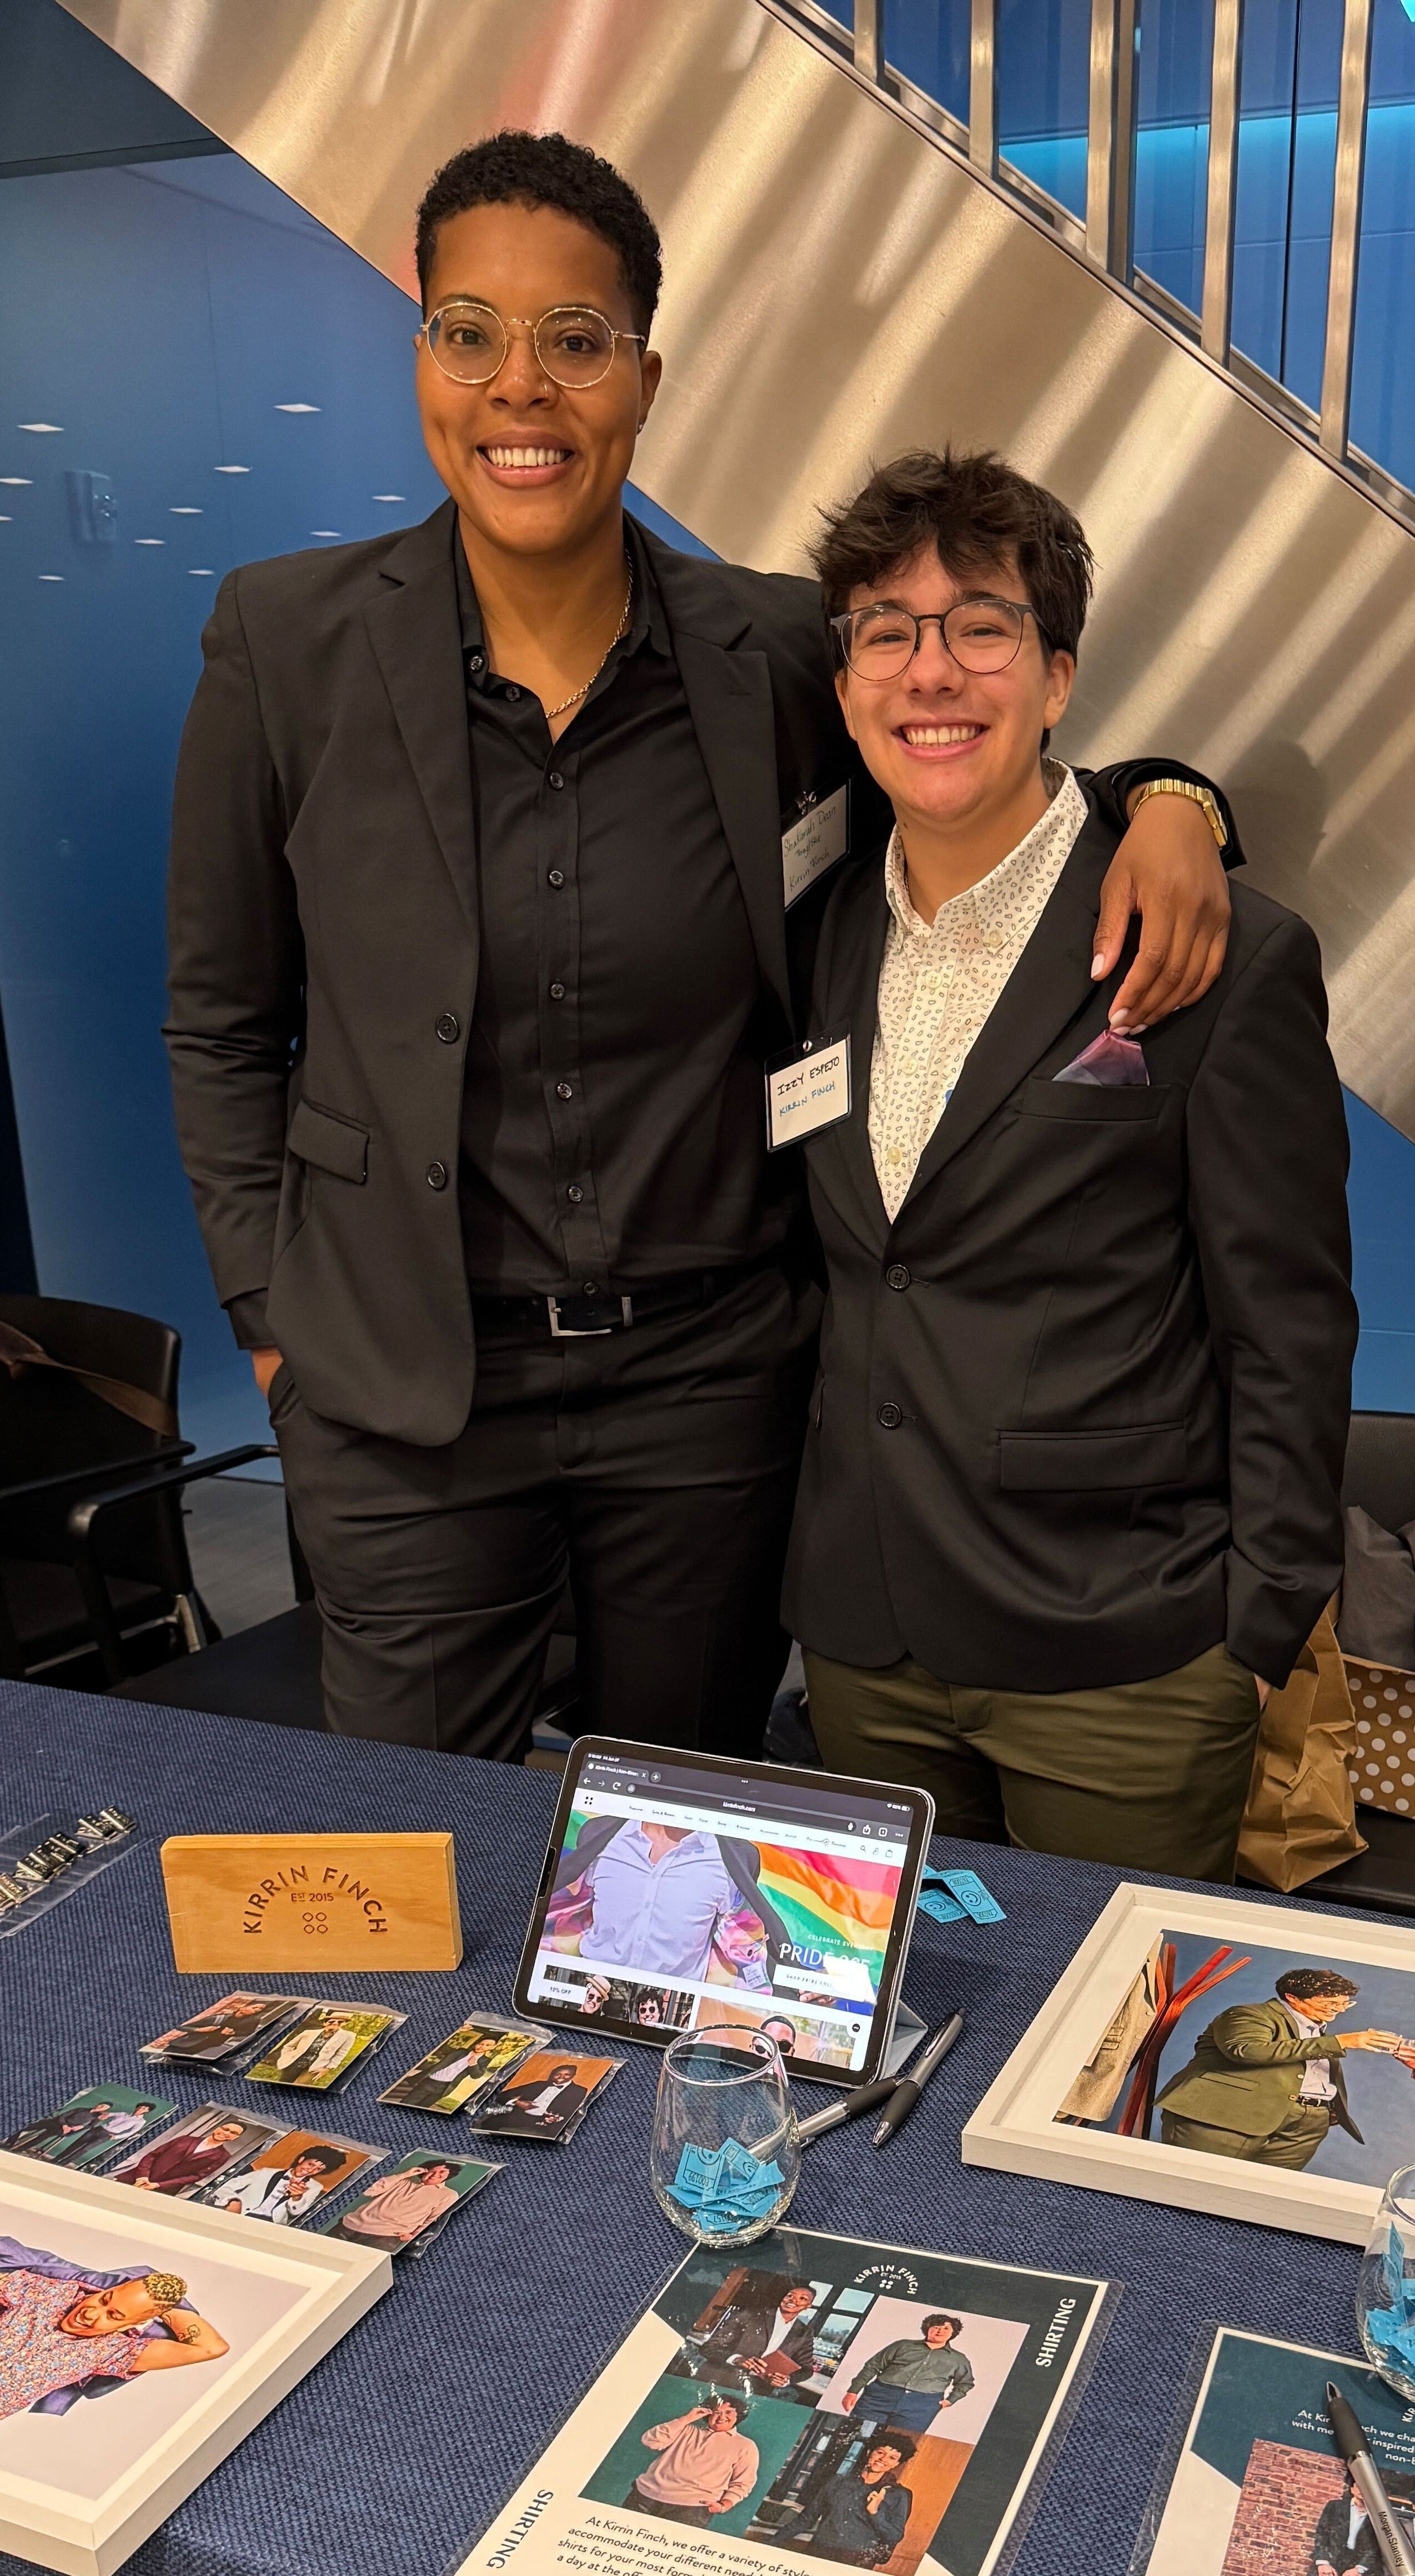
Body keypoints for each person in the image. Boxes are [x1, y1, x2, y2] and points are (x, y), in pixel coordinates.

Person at [165, 127, 1240, 1766]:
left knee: (677, 1851)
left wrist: (1173, 795)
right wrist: (272, 1303)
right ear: (424, 359)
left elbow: (975, 762)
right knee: (415, 1825)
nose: (521, 387)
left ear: (644, 377)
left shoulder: (772, 657)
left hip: (708, 1390)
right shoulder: (285, 645)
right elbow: (222, 1018)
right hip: (401, 1384)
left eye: (574, 340)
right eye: (471, 332)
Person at [784, 447, 1357, 1882]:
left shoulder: (1221, 956)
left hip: (1122, 1664)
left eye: (978, 625)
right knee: (892, 2047)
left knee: (1098, 2067)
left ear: (1052, 676)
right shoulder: (811, 931)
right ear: (843, 677)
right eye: (886, 631)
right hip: (863, 1639)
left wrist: (1255, 1630)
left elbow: (1285, 1325)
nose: (931, 671)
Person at [1155, 1970, 1406, 2169]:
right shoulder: (1249, 2015)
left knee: (1261, 2199)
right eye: (1329, 2003)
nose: (1338, 2010)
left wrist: (1322, 2111)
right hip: (1226, 2119)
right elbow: (1246, 2050)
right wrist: (1342, 2042)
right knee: (1198, 2187)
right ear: (1293, 1998)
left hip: (1305, 2128)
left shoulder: (1317, 2029)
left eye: (1344, 2004)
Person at [0, 2243, 228, 2419]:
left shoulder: (115, 2352)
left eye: (113, 2316)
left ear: (130, 2325)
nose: (90, 2313)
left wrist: (161, 2310)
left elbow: (211, 2348)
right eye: (104, 2299)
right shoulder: (50, 2292)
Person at [624, 2394, 759, 2524]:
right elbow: (650, 2441)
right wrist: (687, 2419)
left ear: (738, 2415)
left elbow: (743, 2483)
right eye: (717, 2412)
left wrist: (724, 2505)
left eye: (729, 2412)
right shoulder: (686, 2429)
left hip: (692, 2508)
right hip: (645, 2496)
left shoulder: (746, 2446)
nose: (722, 2417)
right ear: (708, 2413)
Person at [787, 2434, 916, 2567]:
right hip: (818, 2553)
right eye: (880, 2452)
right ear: (869, 2452)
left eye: (892, 2458)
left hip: (855, 2562)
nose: (883, 2459)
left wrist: (875, 2513)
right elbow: (805, 2519)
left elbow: (894, 2537)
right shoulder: (837, 2482)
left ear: (896, 2464)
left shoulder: (898, 2495)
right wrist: (772, 2542)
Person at [842, 2315, 973, 2433]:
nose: (940, 2331)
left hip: (921, 2406)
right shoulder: (902, 2345)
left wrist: (950, 2401)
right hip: (879, 2397)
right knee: (854, 2432)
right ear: (928, 2328)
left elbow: (965, 2383)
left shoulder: (959, 2360)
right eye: (936, 2327)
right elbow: (873, 2366)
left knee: (897, 2442)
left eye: (946, 2329)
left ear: (953, 2333)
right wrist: (853, 2391)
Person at [692, 2283, 817, 2388]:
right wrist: (738, 2359)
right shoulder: (751, 2314)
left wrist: (787, 2380)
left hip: (759, 2389)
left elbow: (807, 2370)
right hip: (718, 2379)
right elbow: (708, 2348)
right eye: (790, 2295)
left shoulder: (805, 2333)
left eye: (803, 2299)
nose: (793, 2300)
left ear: (808, 2306)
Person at [329, 2161, 459, 2252]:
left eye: (442, 2172)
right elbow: (369, 2191)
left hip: (386, 2237)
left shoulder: (448, 2195)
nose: (435, 2174)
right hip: (348, 2226)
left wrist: (414, 2235)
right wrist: (404, 2175)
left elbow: (433, 2219)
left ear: (449, 2175)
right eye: (432, 2171)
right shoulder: (401, 2182)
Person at [214, 2142, 345, 2222]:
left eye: (318, 2169)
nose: (311, 2170)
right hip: (243, 2213)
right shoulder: (266, 2172)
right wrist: (233, 2201)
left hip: (271, 2223)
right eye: (310, 2164)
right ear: (302, 2159)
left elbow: (297, 2214)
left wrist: (297, 2198)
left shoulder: (315, 2187)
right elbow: (225, 2186)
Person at [123, 2117, 249, 2196]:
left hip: (162, 2191)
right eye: (225, 2129)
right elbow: (153, 2155)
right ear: (218, 2128)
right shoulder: (185, 2139)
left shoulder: (223, 2156)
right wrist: (142, 2176)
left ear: (235, 2138)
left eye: (233, 2133)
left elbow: (196, 2177)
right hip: (133, 2177)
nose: (226, 2133)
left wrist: (159, 2185)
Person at [476, 2060, 590, 2130]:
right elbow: (503, 2095)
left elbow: (571, 2110)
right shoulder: (538, 2085)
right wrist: (517, 2102)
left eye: (567, 2075)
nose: (561, 2078)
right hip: (523, 2116)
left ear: (573, 2075)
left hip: (550, 2122)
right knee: (489, 2123)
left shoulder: (579, 2091)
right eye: (558, 2075)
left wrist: (557, 2118)